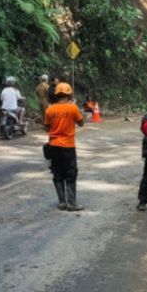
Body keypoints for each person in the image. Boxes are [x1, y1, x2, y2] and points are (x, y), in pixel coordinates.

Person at [45, 83, 85, 211]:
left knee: (57, 173)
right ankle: (72, 204)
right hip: (68, 146)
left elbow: (47, 127)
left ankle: (62, 202)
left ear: (56, 95)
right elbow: (81, 123)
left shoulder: (49, 109)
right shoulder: (73, 108)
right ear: (69, 94)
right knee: (71, 173)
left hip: (53, 145)